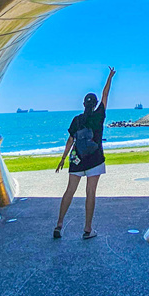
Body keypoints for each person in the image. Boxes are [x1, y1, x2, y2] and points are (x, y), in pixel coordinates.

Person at [54, 66, 115, 240]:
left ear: (83, 104)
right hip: (95, 160)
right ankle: (88, 229)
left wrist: (63, 159)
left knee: (69, 191)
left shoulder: (76, 120)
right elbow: (105, 95)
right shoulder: (99, 116)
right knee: (90, 193)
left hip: (77, 160)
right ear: (95, 104)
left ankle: (59, 224)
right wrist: (110, 77)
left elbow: (70, 141)